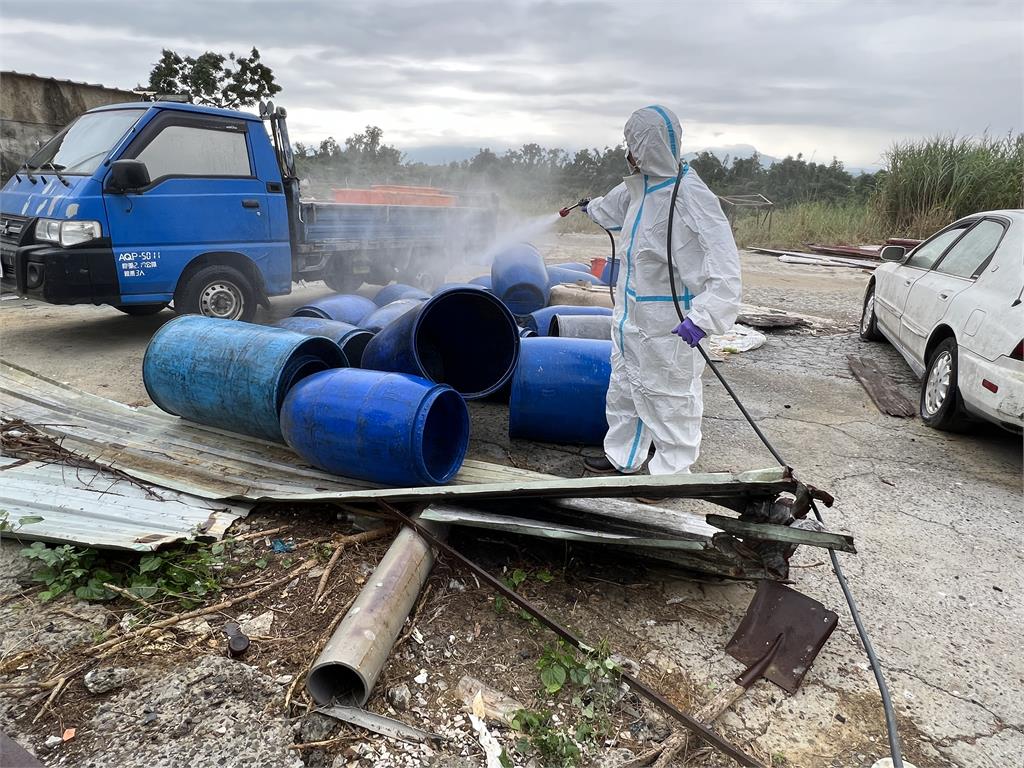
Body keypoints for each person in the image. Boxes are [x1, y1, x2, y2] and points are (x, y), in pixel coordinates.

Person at [581, 105, 741, 475]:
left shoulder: (691, 197)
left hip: (672, 324)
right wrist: (590, 208)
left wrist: (704, 319)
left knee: (670, 399)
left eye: (631, 145)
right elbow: (610, 208)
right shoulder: (639, 188)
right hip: (631, 318)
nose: (628, 153)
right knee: (625, 389)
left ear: (646, 147)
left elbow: (725, 268)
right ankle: (624, 458)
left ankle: (671, 475)